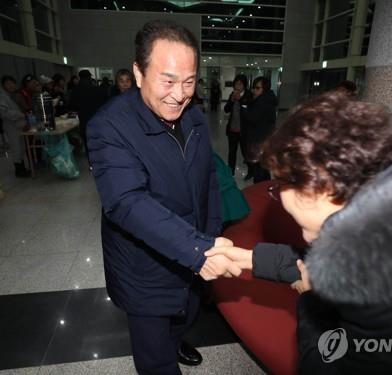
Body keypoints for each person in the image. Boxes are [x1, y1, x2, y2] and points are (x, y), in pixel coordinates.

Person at [206, 91, 392, 374]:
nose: (309, 239)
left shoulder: (383, 293)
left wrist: (311, 301)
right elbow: (322, 255)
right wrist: (247, 258)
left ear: (324, 189)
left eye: (309, 229)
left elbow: (325, 362)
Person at [86, 20, 241, 375]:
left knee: (184, 318)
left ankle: (176, 342)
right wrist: (199, 250)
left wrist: (212, 236)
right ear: (138, 73)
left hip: (192, 253)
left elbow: (209, 182)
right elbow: (127, 202)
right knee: (155, 359)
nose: (179, 94)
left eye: (189, 82)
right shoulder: (108, 127)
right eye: (167, 80)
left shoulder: (196, 117)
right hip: (146, 266)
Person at [245, 76, 277, 183]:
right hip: (264, 138)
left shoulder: (263, 102)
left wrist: (244, 109)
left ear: (265, 89)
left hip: (260, 140)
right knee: (263, 168)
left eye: (258, 88)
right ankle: (263, 189)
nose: (254, 90)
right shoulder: (266, 99)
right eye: (254, 88)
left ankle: (260, 191)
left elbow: (252, 118)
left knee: (260, 169)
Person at [69, 69, 107, 160]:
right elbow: (105, 104)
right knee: (99, 142)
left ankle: (91, 163)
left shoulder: (75, 91)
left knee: (87, 143)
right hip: (97, 121)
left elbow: (72, 107)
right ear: (89, 77)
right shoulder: (97, 89)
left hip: (84, 121)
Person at [0, 75, 29, 177]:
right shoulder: (2, 96)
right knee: (16, 148)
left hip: (18, 125)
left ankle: (22, 169)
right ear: (3, 85)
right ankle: (19, 171)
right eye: (8, 84)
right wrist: (20, 114)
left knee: (21, 148)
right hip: (11, 126)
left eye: (12, 83)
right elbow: (4, 113)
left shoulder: (11, 95)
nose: (11, 86)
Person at [224, 74, 252, 176]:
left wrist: (240, 99)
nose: (237, 86)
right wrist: (232, 100)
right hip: (232, 129)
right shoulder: (232, 94)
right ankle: (230, 171)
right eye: (236, 84)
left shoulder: (249, 95)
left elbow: (249, 110)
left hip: (243, 130)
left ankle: (251, 171)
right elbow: (226, 110)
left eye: (240, 84)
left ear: (244, 85)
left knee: (245, 152)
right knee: (232, 152)